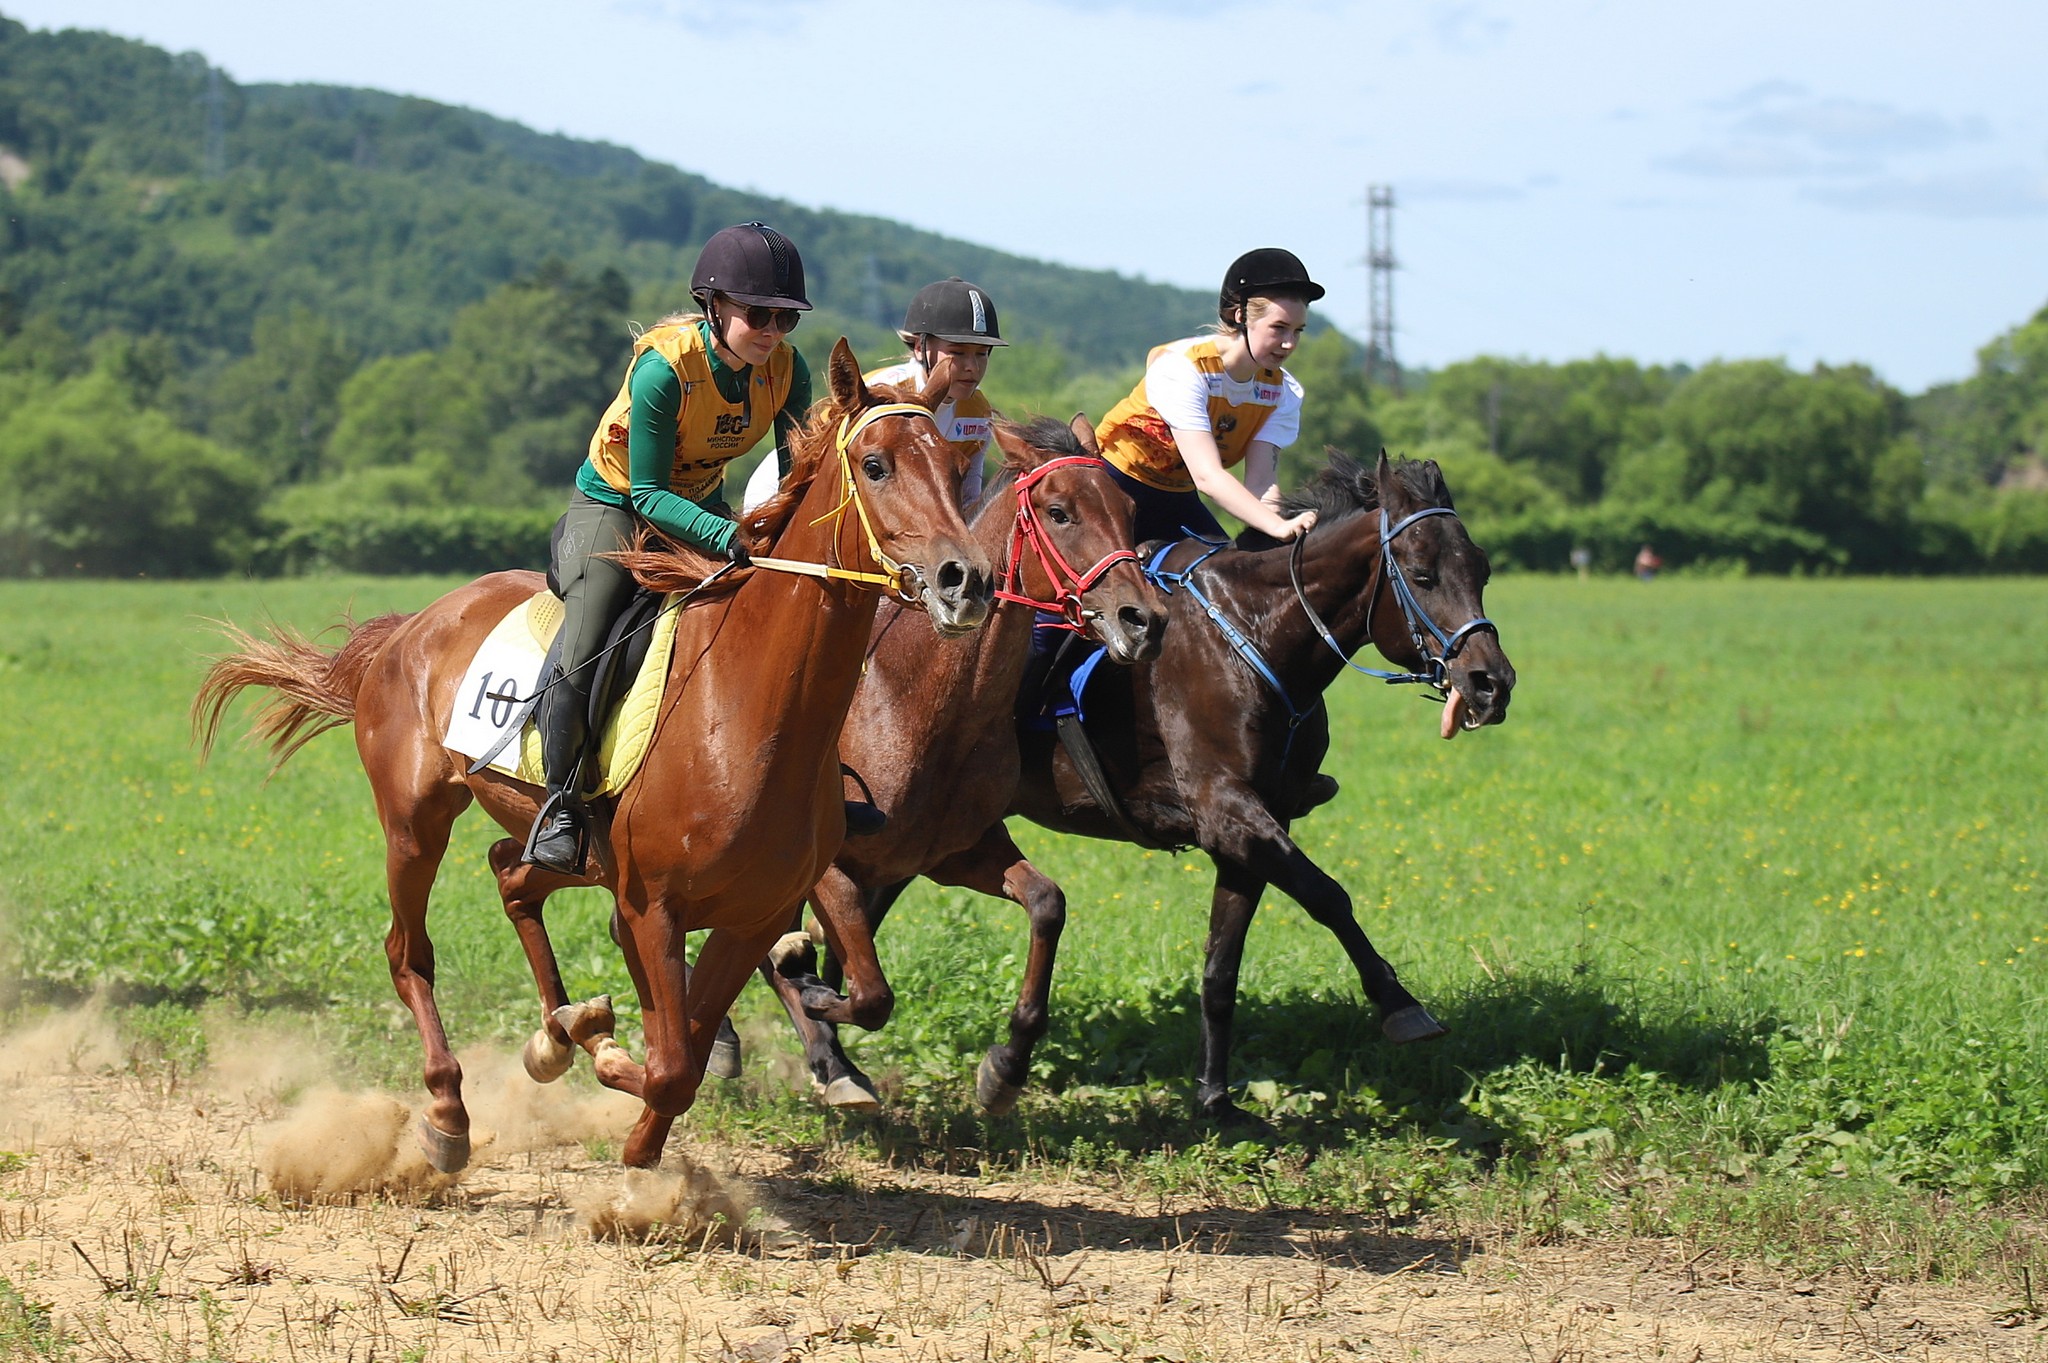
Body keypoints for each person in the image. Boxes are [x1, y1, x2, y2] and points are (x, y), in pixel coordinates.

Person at [526, 222, 814, 874]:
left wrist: (786, 535)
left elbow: (800, 474)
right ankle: (561, 803)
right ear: (715, 306)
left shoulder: (787, 372)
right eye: (758, 314)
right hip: (618, 507)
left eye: (786, 319)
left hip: (704, 504)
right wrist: (730, 534)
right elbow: (651, 495)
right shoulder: (663, 371)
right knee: (588, 638)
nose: (772, 330)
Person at [1094, 247, 1324, 546]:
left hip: (1176, 497)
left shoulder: (1283, 392)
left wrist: (1280, 532)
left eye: (1298, 331)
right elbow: (1208, 476)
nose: (1289, 343)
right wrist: (1277, 527)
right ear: (1241, 317)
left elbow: (1261, 485)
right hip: (1109, 488)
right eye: (1278, 328)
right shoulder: (1182, 368)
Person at [743, 275, 1005, 512]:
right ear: (919, 347)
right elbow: (803, 457)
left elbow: (969, 501)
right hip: (777, 494)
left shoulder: (979, 412)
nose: (972, 366)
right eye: (958, 352)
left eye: (982, 354)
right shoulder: (879, 393)